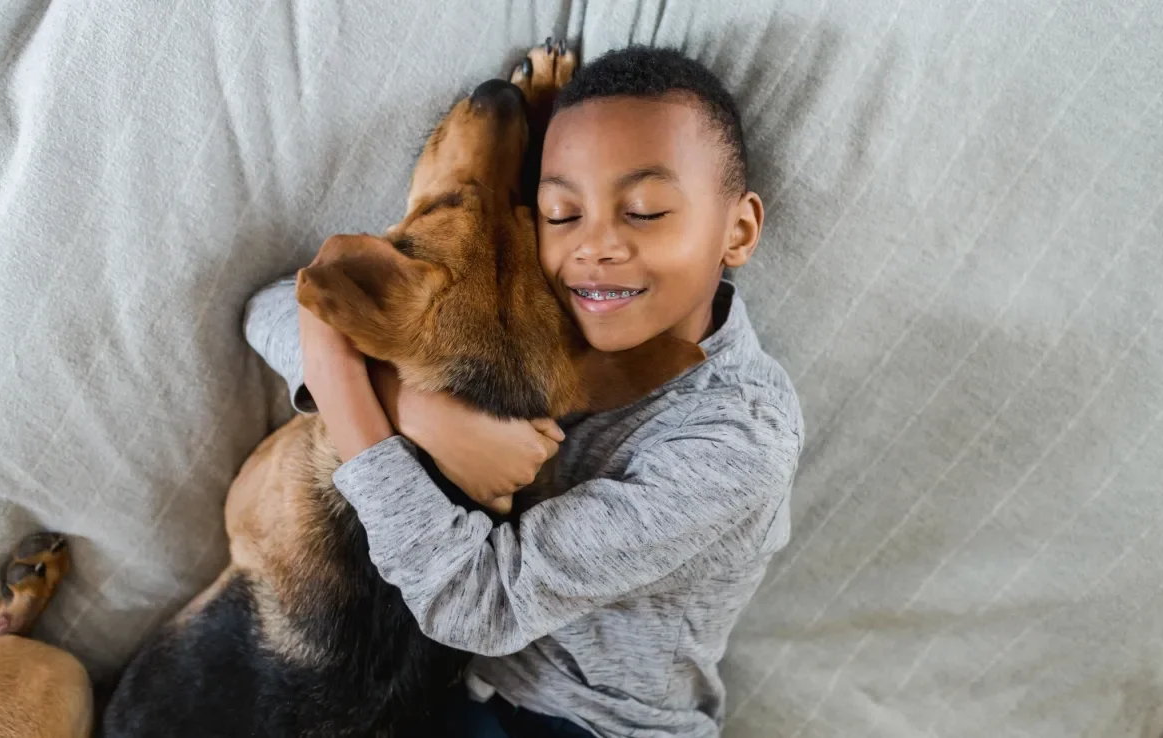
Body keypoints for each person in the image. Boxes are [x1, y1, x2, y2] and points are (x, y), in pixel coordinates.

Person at [244, 45, 803, 738]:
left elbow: (480, 601)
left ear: (739, 229)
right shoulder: (540, 298)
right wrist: (411, 410)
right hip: (448, 690)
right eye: (561, 214)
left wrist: (348, 392)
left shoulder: (739, 439)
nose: (594, 246)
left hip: (594, 722)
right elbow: (277, 307)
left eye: (646, 212)